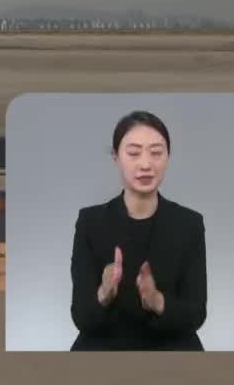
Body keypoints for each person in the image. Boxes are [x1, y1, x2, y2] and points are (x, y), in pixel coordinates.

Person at [68, 109, 208, 350]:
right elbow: (81, 317)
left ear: (168, 156)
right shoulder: (91, 222)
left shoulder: (189, 224)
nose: (146, 164)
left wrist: (157, 301)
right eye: (133, 153)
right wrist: (104, 293)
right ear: (116, 157)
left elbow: (196, 314)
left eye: (156, 153)